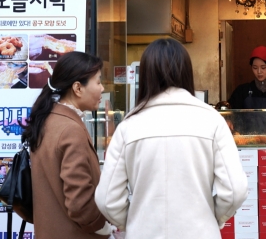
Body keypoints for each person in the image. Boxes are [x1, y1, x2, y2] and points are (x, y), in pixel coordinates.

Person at [95, 38, 248, 239]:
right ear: (186, 72)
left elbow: (107, 199)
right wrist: (212, 217)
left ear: (147, 75)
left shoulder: (128, 127)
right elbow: (235, 191)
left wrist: (135, 221)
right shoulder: (212, 121)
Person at [20, 51, 113, 239]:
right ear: (78, 88)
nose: (102, 88)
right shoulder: (70, 130)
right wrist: (104, 228)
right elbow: (80, 204)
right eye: (98, 81)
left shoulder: (48, 120)